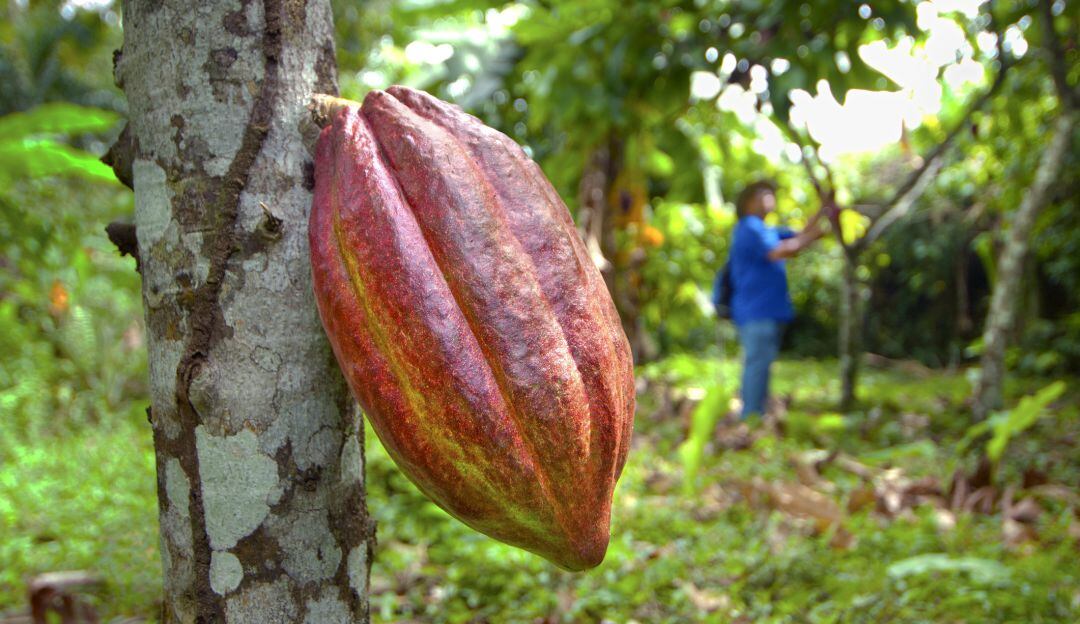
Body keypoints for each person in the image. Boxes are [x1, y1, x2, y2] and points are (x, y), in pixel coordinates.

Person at [729, 180, 832, 419]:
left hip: (767, 309)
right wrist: (815, 235)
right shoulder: (750, 227)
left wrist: (823, 210)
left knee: (762, 363)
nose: (771, 198)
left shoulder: (765, 230)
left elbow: (798, 235)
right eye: (764, 194)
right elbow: (782, 250)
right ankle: (751, 416)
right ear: (749, 202)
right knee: (757, 363)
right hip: (756, 309)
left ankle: (757, 414)